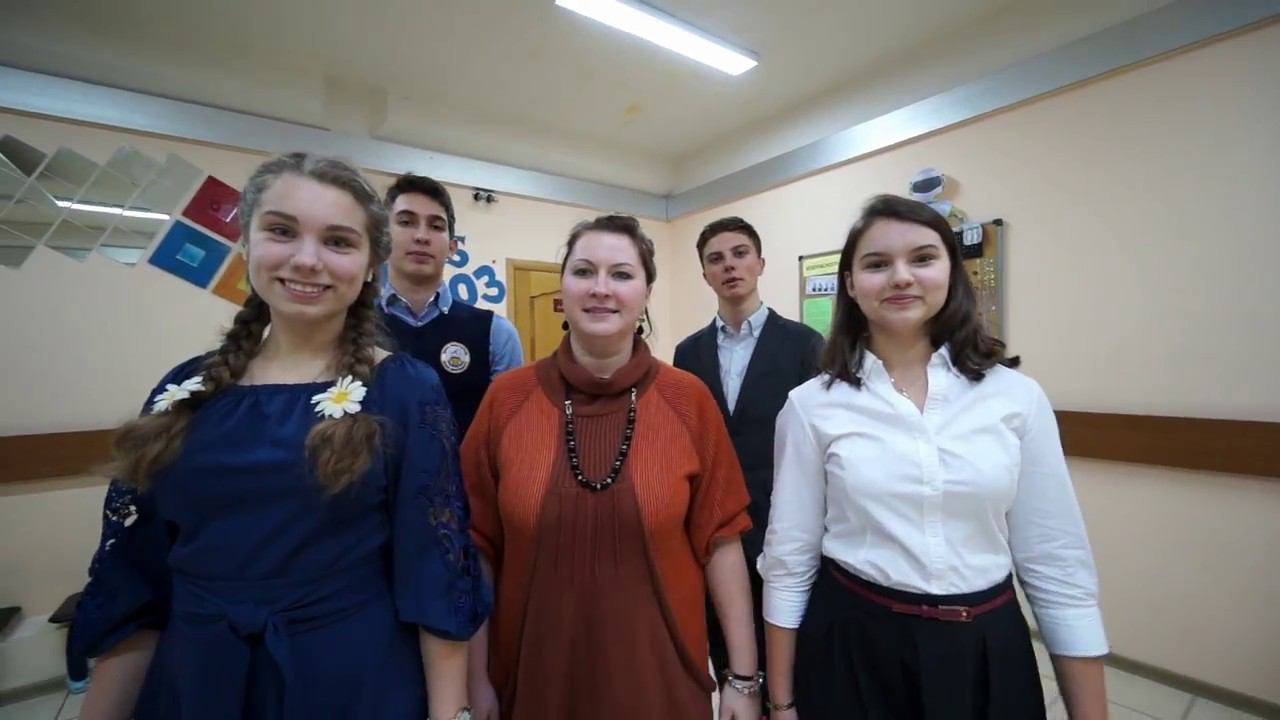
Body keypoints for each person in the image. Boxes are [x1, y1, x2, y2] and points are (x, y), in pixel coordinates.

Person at [71, 153, 489, 720]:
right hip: (195, 678)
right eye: (282, 231)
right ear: (247, 243)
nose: (307, 259)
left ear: (370, 264)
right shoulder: (185, 390)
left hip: (350, 682)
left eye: (337, 241)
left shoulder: (404, 390)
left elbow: (433, 575)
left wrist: (451, 712)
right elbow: (136, 583)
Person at [760, 195, 1109, 720]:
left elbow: (1056, 562)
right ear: (850, 284)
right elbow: (789, 561)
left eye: (922, 258)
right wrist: (782, 703)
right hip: (855, 644)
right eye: (877, 264)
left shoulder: (1016, 397)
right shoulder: (812, 406)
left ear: (951, 272)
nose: (901, 276)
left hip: (987, 646)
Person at [461, 215, 762, 719]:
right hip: (533, 680)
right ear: (563, 288)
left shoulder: (687, 400)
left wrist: (744, 680)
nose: (601, 288)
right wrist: (475, 679)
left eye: (621, 274)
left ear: (646, 293)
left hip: (661, 681)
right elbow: (477, 550)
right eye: (584, 271)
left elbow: (722, 542)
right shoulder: (507, 401)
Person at [672, 216, 822, 702]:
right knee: (729, 654)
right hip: (716, 530)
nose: (729, 266)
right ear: (705, 274)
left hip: (786, 525)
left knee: (792, 663)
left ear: (760, 263)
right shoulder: (688, 354)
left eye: (740, 254)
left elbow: (818, 442)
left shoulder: (804, 345)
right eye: (716, 259)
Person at [379, 173, 523, 436]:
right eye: (406, 222)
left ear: (453, 247)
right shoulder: (347, 324)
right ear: (383, 238)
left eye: (436, 226)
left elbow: (509, 435)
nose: (421, 236)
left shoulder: (495, 334)